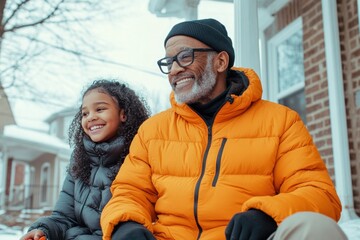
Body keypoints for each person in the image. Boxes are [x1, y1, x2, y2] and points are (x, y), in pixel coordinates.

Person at [101, 19, 347, 240]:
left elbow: (320, 195)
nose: (174, 69)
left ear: (220, 61)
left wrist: (268, 215)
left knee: (314, 228)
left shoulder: (280, 121)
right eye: (169, 61)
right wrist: (126, 224)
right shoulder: (153, 131)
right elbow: (129, 192)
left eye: (184, 56)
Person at [19, 79, 150, 240]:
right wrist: (44, 230)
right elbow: (63, 217)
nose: (91, 118)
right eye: (85, 113)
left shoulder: (141, 157)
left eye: (100, 109)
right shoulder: (79, 161)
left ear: (123, 114)